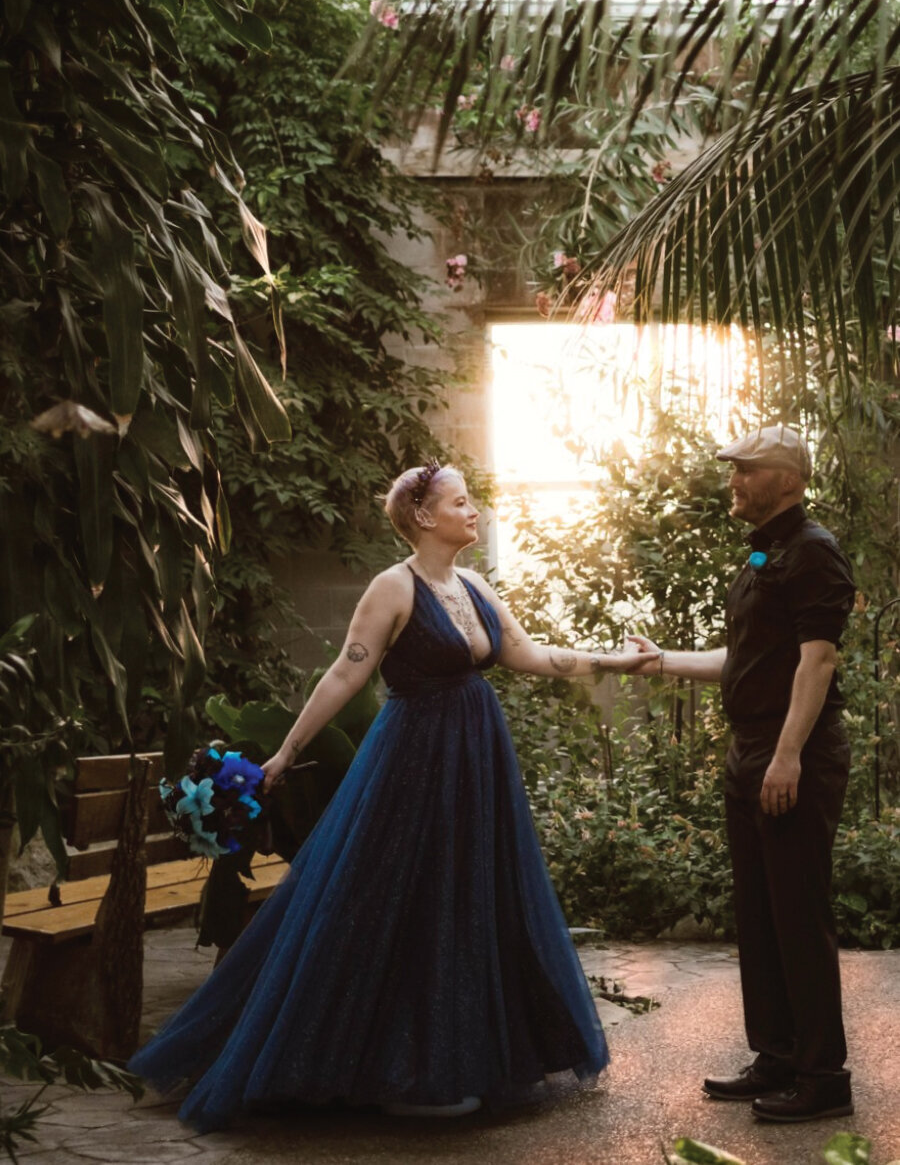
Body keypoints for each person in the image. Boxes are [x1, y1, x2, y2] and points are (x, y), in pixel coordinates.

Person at [129, 459, 640, 1131]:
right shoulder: (392, 587)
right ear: (424, 516)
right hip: (413, 764)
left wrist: (615, 658)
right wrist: (284, 752)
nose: (474, 509)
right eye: (461, 501)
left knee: (469, 900)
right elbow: (346, 674)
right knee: (399, 899)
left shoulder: (475, 586)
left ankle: (453, 1061)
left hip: (475, 763)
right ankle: (389, 1067)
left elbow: (535, 655)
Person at [629, 425, 855, 1124]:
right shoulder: (765, 552)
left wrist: (787, 754)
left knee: (797, 913)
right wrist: (662, 658)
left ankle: (823, 1075)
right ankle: (778, 1054)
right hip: (750, 750)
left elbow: (817, 662)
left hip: (792, 752)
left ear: (786, 478)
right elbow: (747, 657)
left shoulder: (814, 551)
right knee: (759, 915)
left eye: (745, 469)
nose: (732, 480)